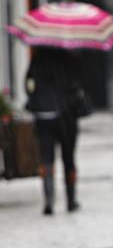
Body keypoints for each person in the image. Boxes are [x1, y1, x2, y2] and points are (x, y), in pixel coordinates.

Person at [25, 48, 85, 215]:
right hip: (66, 116)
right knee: (68, 158)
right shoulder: (69, 57)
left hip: (43, 116)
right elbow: (77, 84)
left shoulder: (38, 57)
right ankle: (71, 199)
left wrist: (36, 99)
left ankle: (49, 199)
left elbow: (28, 84)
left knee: (46, 159)